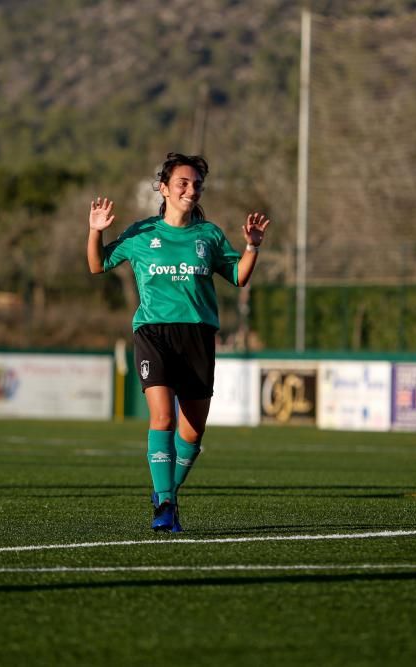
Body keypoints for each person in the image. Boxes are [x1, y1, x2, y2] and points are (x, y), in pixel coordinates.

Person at [87, 153, 271, 532]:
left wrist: (252, 247)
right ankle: (166, 505)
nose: (191, 189)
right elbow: (97, 264)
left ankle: (166, 490)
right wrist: (96, 231)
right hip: (154, 332)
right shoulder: (142, 234)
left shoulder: (209, 235)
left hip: (199, 335)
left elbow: (238, 277)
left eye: (197, 184)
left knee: (192, 432)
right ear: (164, 187)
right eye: (183, 183)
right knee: (163, 418)